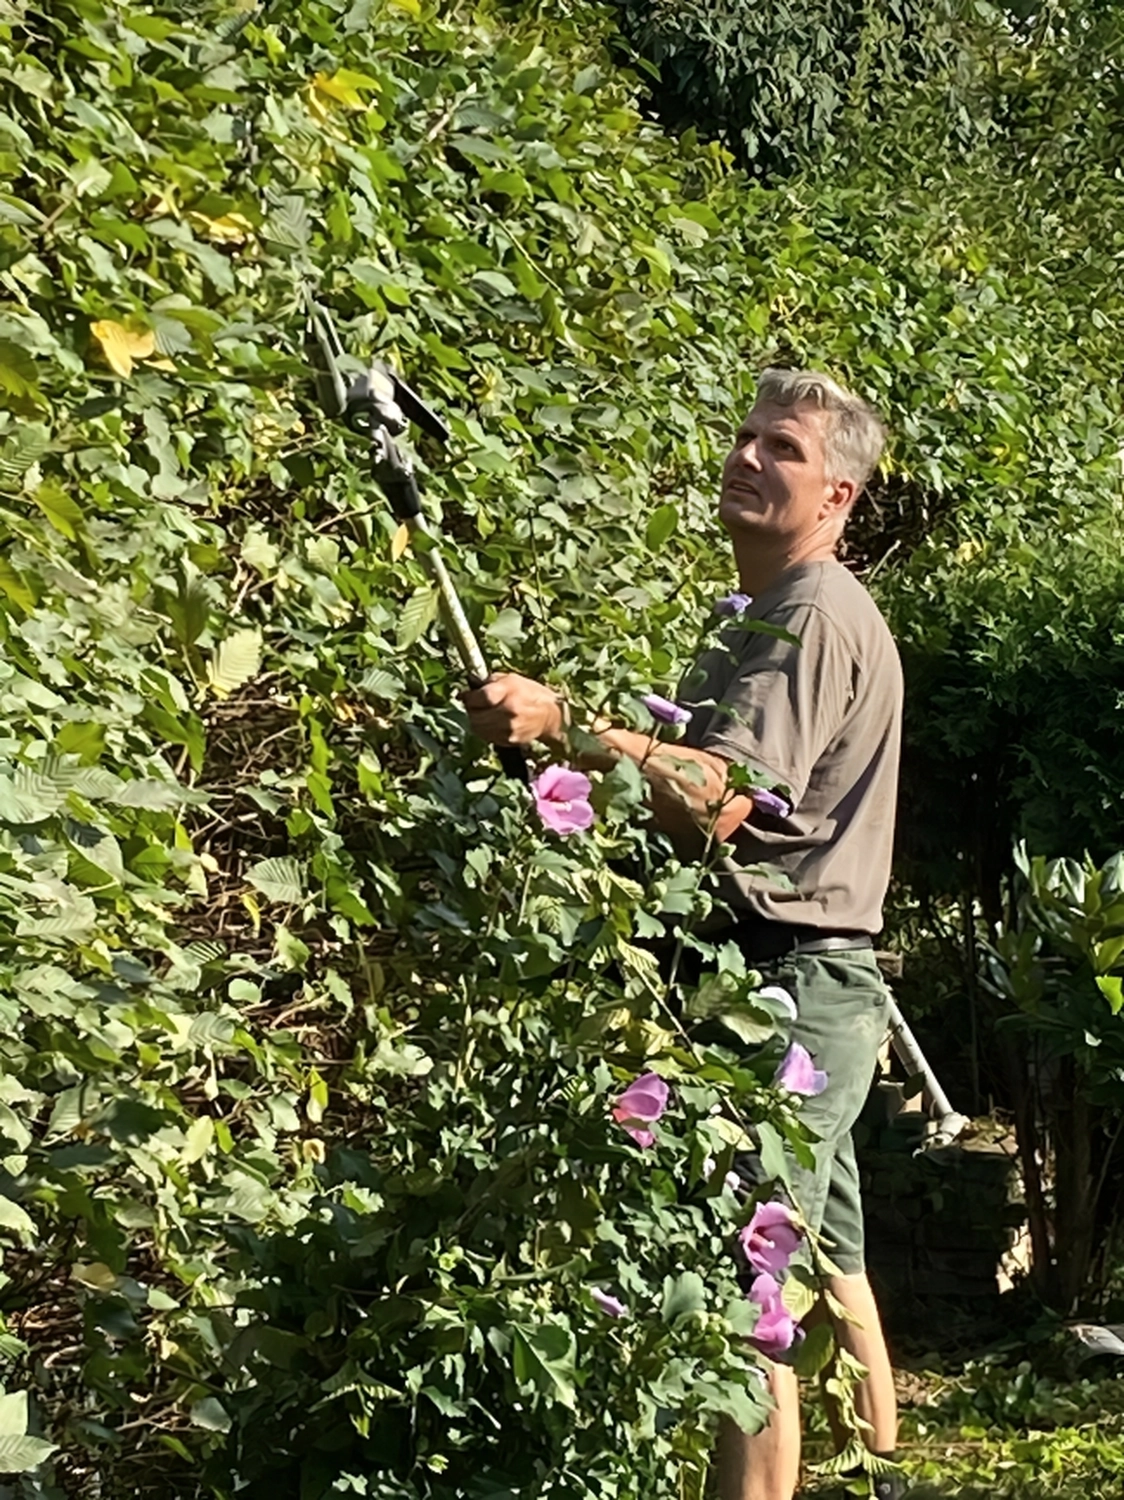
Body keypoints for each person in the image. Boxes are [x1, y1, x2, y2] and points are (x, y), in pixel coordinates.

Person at [464, 368, 905, 1500]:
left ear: (839, 495)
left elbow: (720, 796)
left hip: (784, 989)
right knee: (823, 1266)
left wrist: (568, 721)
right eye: (745, 435)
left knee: (746, 1297)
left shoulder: (808, 614)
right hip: (804, 985)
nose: (750, 457)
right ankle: (883, 1476)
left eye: (785, 450)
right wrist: (549, 759)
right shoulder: (758, 613)